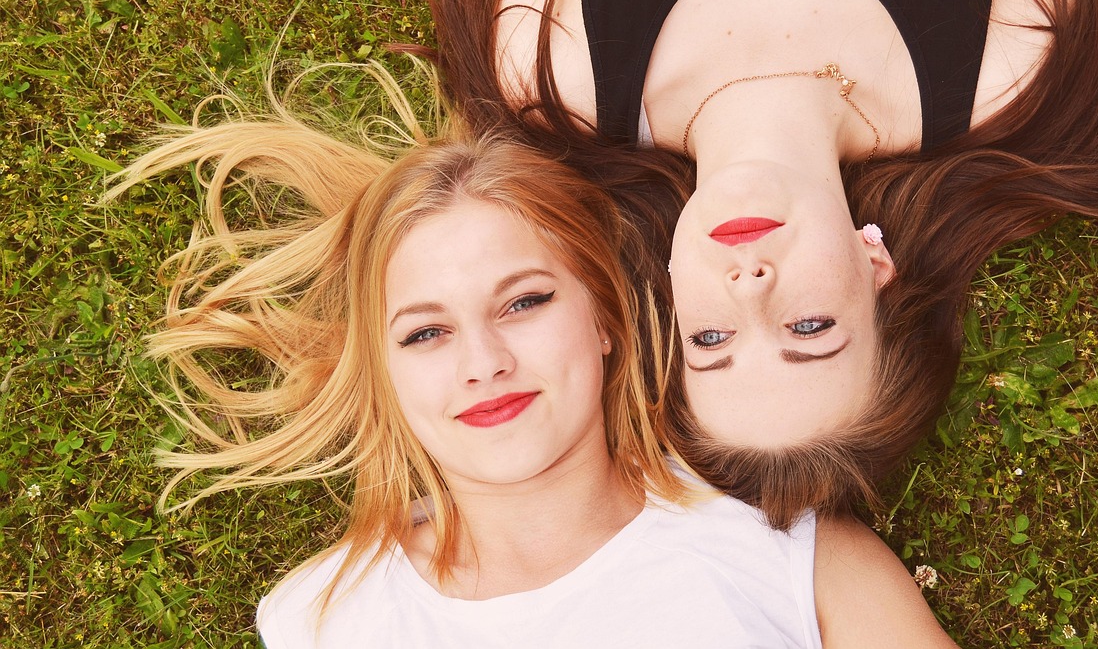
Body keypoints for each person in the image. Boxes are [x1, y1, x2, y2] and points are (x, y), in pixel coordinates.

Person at [400, 0, 1098, 529]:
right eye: (809, 329)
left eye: (712, 339)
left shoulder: (554, 75)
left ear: (668, 299)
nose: (750, 285)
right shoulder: (993, 83)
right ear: (878, 270)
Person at [109, 68, 958, 647]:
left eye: (523, 302)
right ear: (385, 373)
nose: (482, 361)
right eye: (425, 333)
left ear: (604, 318)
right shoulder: (324, 621)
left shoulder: (789, 555)